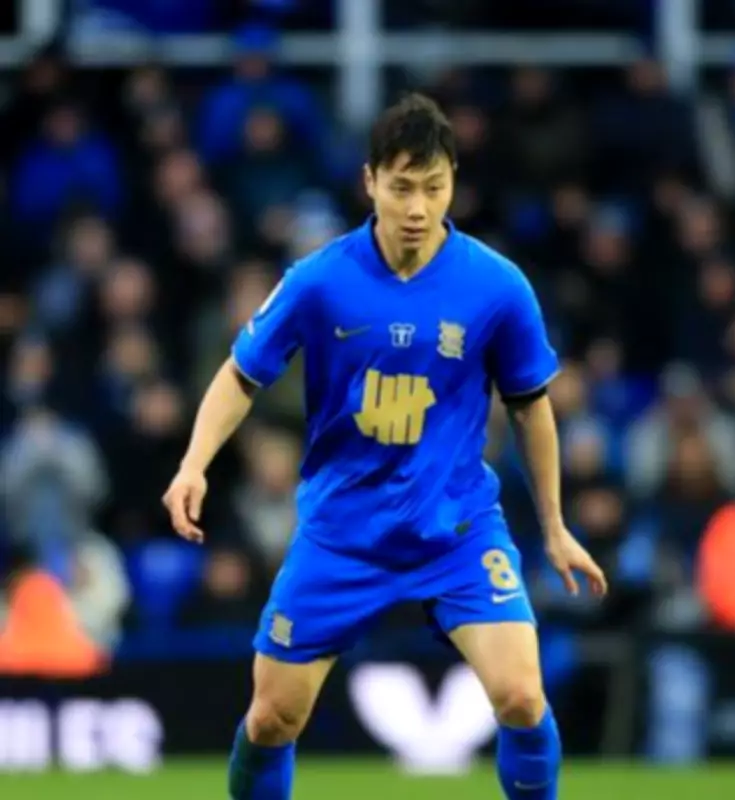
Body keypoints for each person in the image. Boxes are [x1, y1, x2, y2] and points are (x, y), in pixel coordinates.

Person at [162, 93, 607, 800]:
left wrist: (554, 527)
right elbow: (241, 375)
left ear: (454, 182)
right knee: (273, 718)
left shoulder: (497, 286)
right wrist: (194, 465)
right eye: (402, 187)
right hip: (343, 535)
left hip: (456, 531)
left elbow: (531, 407)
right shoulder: (319, 280)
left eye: (433, 187)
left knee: (523, 698)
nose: (418, 208)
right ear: (369, 181)